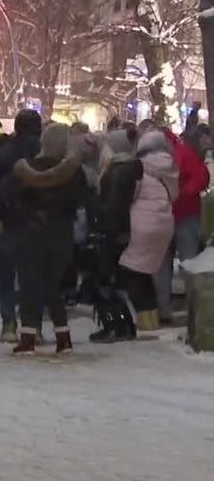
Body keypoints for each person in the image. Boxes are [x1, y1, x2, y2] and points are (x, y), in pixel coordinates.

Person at [4, 123, 90, 355]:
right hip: (60, 234)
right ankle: (63, 338)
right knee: (53, 286)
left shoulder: (24, 168)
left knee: (30, 284)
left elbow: (9, 197)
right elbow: (81, 199)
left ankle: (28, 338)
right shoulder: (72, 171)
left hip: (30, 232)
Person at [0, 109, 42, 342]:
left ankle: (8, 323)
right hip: (38, 222)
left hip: (8, 220)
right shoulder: (45, 152)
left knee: (5, 274)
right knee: (33, 275)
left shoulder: (6, 152)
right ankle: (32, 325)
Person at [121, 131, 179, 332]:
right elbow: (175, 195)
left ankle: (146, 320)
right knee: (145, 272)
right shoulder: (170, 166)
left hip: (141, 224)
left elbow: (132, 194)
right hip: (164, 222)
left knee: (133, 272)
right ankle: (151, 318)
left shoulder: (139, 167)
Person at [90, 130, 140, 343]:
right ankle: (124, 325)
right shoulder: (131, 168)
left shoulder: (117, 172)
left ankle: (113, 324)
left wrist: (102, 229)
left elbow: (113, 206)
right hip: (123, 231)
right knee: (115, 281)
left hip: (112, 232)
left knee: (103, 280)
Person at [163, 128, 208, 324]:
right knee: (187, 261)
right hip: (184, 213)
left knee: (165, 263)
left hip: (169, 215)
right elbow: (201, 177)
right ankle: (194, 307)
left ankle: (164, 307)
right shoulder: (183, 152)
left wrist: (180, 194)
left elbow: (200, 177)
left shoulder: (176, 154)